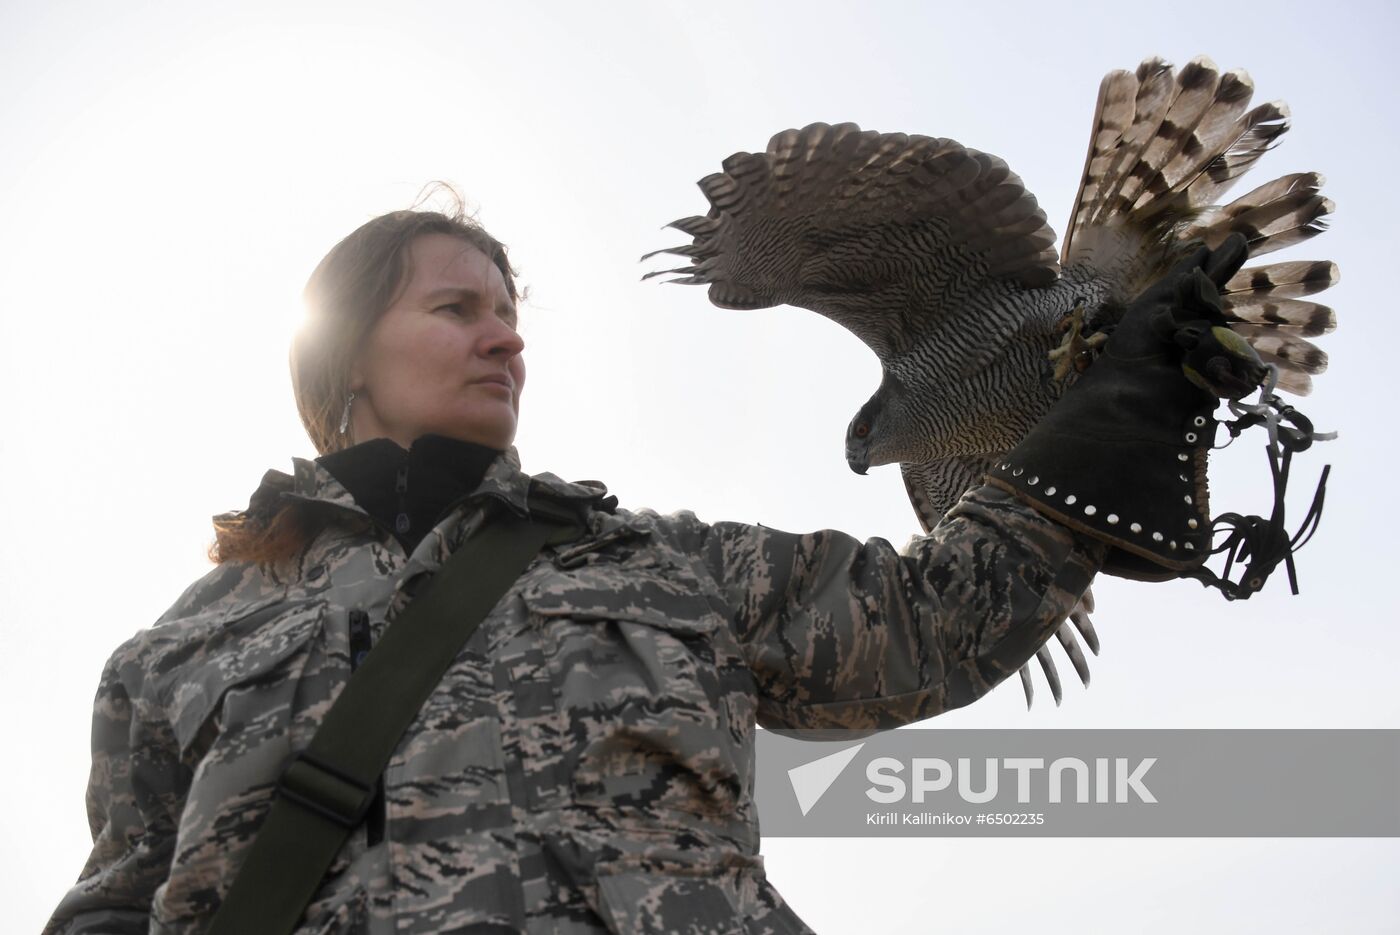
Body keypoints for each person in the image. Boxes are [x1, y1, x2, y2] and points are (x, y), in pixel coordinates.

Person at [44, 195, 1250, 934]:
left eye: (510, 314)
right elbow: (115, 902)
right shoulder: (178, 650)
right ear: (346, 353)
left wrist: (1114, 408)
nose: (505, 338)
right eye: (457, 310)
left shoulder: (662, 562)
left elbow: (935, 616)